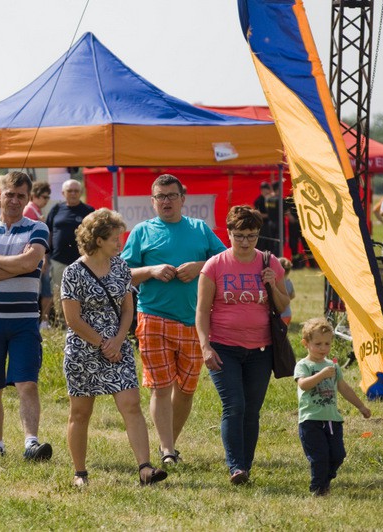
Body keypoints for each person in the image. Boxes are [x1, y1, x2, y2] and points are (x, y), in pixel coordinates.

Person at [121, 174, 226, 466]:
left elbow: (223, 261)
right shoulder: (142, 231)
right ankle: (167, 450)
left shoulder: (199, 229)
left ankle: (170, 443)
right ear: (152, 201)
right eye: (160, 197)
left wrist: (199, 266)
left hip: (194, 320)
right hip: (153, 317)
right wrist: (151, 270)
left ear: (183, 197)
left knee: (186, 389)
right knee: (160, 386)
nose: (166, 201)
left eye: (171, 195)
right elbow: (122, 273)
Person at [61, 208, 167, 487]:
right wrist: (102, 343)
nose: (120, 243)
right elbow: (72, 319)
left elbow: (127, 309)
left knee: (132, 405)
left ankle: (145, 469)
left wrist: (118, 340)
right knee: (81, 413)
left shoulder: (121, 267)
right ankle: (80, 473)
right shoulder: (73, 272)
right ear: (98, 240)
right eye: (114, 239)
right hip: (83, 351)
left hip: (118, 347)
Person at [196, 205, 290, 485]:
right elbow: (202, 311)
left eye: (251, 235)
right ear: (228, 234)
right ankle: (235, 465)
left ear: (259, 235)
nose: (246, 242)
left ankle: (245, 467)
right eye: (239, 236)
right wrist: (205, 346)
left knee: (252, 409)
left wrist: (273, 285)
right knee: (234, 405)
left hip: (261, 349)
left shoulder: (269, 262)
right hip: (224, 346)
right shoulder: (215, 265)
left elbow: (284, 305)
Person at [0, 170, 52, 462]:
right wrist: (18, 266)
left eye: (21, 196)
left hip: (24, 321)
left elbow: (31, 261)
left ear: (27, 198)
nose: (14, 200)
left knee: (27, 383)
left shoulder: (38, 228)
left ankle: (31, 443)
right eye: (10, 194)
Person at [295, 318, 372, 496]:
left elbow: (343, 388)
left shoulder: (332, 366)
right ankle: (318, 488)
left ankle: (326, 480)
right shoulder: (304, 365)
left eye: (327, 344)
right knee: (319, 456)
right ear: (306, 343)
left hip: (332, 419)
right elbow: (303, 385)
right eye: (318, 344)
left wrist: (361, 406)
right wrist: (321, 375)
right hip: (311, 420)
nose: (323, 348)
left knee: (338, 455)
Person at [46, 179, 95, 325]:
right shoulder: (55, 209)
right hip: (58, 259)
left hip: (82, 261)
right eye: (70, 191)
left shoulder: (89, 211)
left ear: (81, 193)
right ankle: (62, 323)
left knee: (82, 292)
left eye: (76, 191)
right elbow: (48, 232)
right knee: (59, 291)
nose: (73, 194)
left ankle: (81, 322)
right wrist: (45, 255)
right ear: (63, 193)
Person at [24, 181, 54, 330]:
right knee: (38, 290)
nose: (46, 200)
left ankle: (44, 321)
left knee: (45, 290)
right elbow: (30, 238)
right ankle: (38, 321)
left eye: (48, 197)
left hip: (42, 255)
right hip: (36, 256)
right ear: (34, 196)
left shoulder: (35, 210)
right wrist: (42, 258)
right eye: (44, 196)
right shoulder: (29, 210)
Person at [278, 257, 296, 325]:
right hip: (288, 314)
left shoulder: (277, 283)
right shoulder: (289, 282)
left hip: (280, 315)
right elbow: (293, 295)